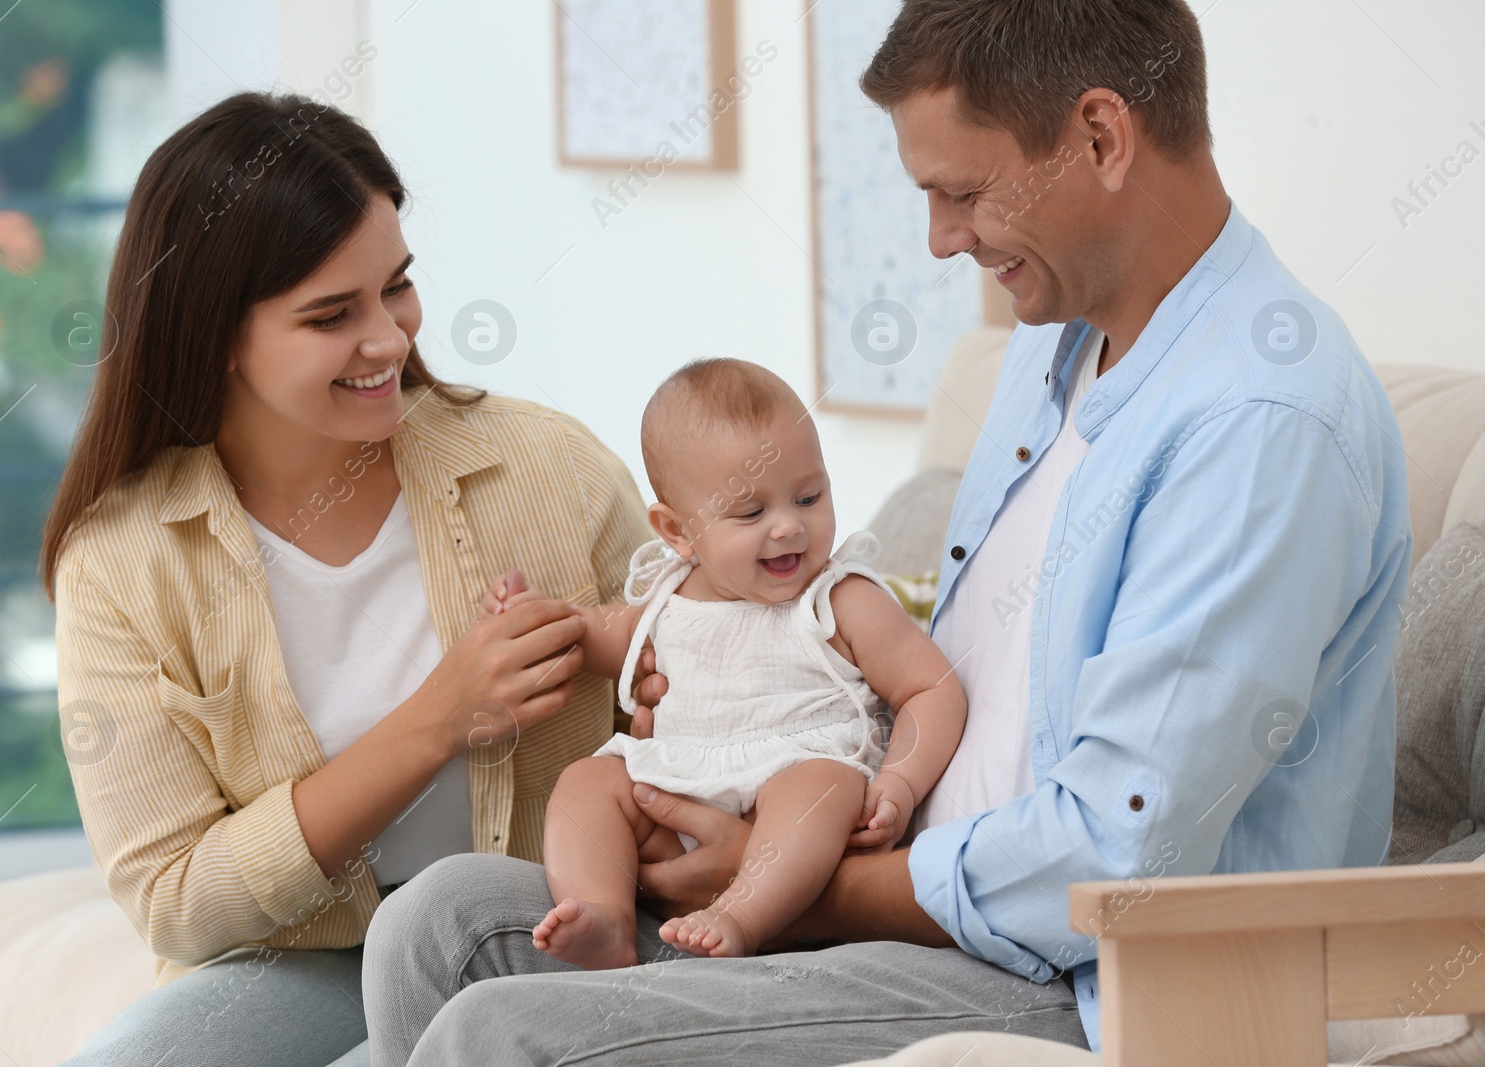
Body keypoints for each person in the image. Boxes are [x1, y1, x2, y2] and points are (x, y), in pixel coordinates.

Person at [359, 1, 1412, 1063]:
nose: (941, 238)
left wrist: (785, 877)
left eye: (961, 192)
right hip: (908, 866)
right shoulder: (1057, 346)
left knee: (500, 1031)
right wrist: (744, 673)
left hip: (1086, 973)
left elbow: (1119, 855)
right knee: (433, 925)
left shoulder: (1258, 422)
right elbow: (984, 662)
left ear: (1100, 138)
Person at [41, 91, 650, 1066]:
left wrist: (661, 686)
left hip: (538, 928)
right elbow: (176, 900)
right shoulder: (123, 558)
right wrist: (437, 718)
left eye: (396, 287)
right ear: (215, 334)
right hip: (307, 957)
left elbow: (699, 657)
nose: (390, 339)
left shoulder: (543, 465)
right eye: (331, 315)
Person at [480, 359, 965, 966]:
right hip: (679, 792)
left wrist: (900, 779)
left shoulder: (839, 600)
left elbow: (932, 687)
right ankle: (605, 915)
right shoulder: (667, 598)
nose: (789, 526)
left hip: (793, 788)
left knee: (819, 786)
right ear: (678, 532)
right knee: (587, 782)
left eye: (809, 496)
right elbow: (588, 634)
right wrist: (531, 621)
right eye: (750, 513)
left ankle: (743, 916)